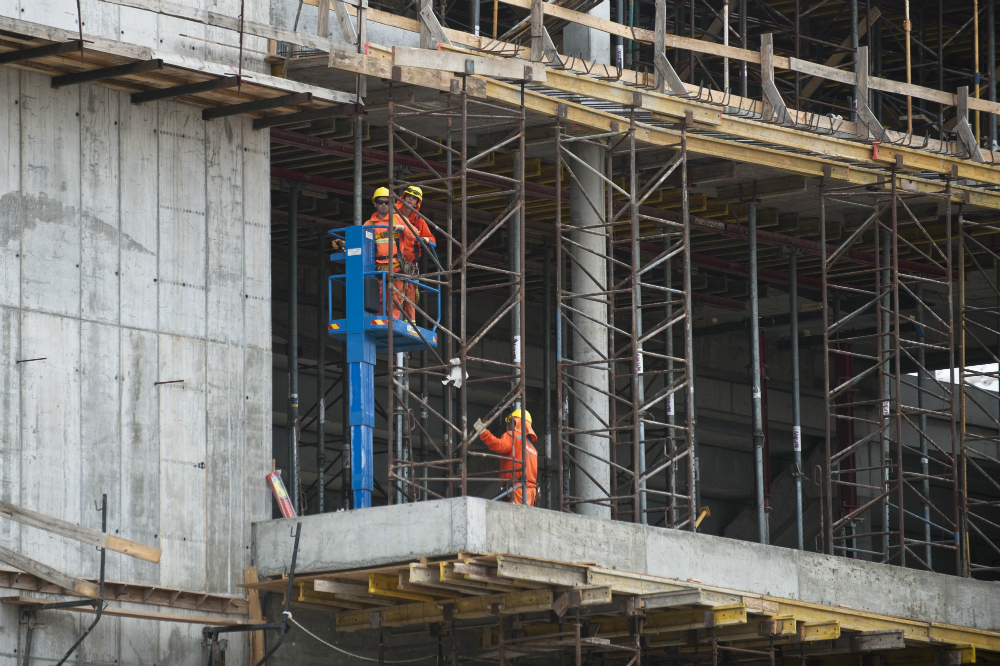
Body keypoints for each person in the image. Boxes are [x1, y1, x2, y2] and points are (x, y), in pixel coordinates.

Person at [365, 187, 417, 321]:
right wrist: (344, 245)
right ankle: (380, 323)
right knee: (379, 300)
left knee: (395, 299)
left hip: (396, 268)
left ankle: (392, 325)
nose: (383, 204)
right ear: (375, 203)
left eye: (387, 202)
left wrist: (404, 228)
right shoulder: (368, 224)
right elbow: (360, 245)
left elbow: (415, 234)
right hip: (377, 270)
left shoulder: (397, 219)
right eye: (380, 201)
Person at [478, 409, 538, 506]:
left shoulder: (512, 436)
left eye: (510, 422)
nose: (509, 425)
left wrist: (483, 432)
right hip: (531, 493)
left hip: (517, 489)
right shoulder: (532, 447)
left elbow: (500, 445)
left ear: (515, 422)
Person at [395, 185, 437, 259]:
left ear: (417, 203)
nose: (410, 199)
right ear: (403, 198)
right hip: (392, 260)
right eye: (408, 196)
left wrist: (426, 239)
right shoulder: (393, 214)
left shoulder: (419, 220)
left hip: (409, 265)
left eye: (414, 198)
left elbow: (432, 241)